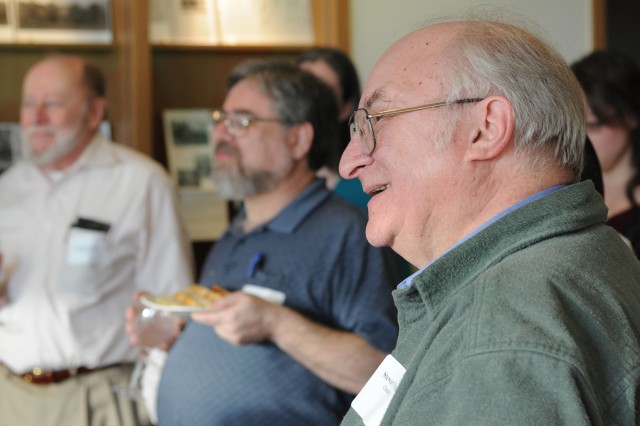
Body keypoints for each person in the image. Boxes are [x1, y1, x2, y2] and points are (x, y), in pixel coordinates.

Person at [338, 16, 640, 425]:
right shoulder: (587, 253)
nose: (349, 162)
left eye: (376, 121)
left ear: (487, 128)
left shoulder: (499, 327)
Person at [151, 59, 402, 425]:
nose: (220, 134)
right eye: (221, 119)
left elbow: (390, 377)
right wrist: (175, 328)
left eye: (242, 121)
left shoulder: (350, 234)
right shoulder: (235, 229)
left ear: (298, 139)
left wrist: (276, 324)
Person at [0, 55, 193, 426]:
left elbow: (172, 307)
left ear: (94, 112)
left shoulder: (141, 183)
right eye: (29, 103)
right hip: (12, 397)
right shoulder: (7, 188)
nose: (36, 117)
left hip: (99, 398)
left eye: (52, 104)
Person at [571, 50, 640, 257]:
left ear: (629, 117)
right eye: (576, 127)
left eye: (593, 126)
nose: (583, 140)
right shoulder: (570, 190)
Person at [297, 47, 371, 210]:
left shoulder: (362, 185)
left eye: (321, 92)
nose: (306, 101)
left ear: (346, 107)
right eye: (299, 90)